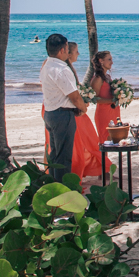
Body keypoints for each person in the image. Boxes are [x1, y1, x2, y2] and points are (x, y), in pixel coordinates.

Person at [39, 33, 86, 181]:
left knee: (55, 156)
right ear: (62, 50)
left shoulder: (47, 65)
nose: (68, 51)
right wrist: (83, 108)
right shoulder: (61, 69)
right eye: (66, 48)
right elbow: (74, 96)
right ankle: (62, 191)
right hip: (62, 115)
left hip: (50, 112)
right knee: (64, 158)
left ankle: (54, 187)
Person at [58, 42, 105, 180]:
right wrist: (82, 105)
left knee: (84, 139)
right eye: (76, 51)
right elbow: (71, 94)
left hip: (72, 107)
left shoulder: (68, 68)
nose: (78, 54)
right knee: (77, 142)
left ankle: (85, 170)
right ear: (68, 53)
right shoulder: (65, 69)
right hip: (71, 109)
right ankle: (74, 173)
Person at [89, 51, 119, 137]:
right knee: (105, 140)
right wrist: (112, 100)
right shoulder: (98, 78)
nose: (112, 62)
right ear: (101, 61)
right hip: (104, 113)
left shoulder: (108, 77)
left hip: (113, 111)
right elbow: (94, 99)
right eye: (109, 59)